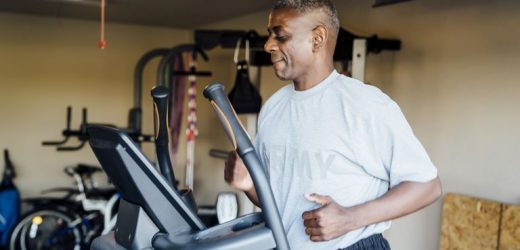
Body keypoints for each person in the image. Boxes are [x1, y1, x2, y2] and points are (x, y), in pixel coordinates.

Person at [224, 0, 442, 249]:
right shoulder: (273, 108)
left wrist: (350, 219)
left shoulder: (366, 104)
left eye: (280, 36)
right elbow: (279, 204)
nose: (268, 45)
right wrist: (249, 185)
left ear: (317, 38)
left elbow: (427, 186)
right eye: (269, 35)